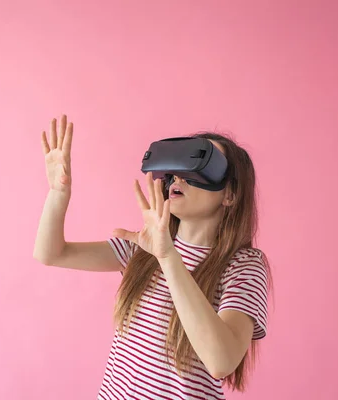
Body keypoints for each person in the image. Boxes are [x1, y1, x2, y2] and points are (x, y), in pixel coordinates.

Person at [34, 115, 272, 400]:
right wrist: (57, 194)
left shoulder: (243, 266)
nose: (177, 177)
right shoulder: (142, 248)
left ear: (230, 194)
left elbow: (221, 361)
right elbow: (50, 253)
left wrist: (168, 257)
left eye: (198, 164)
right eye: (175, 169)